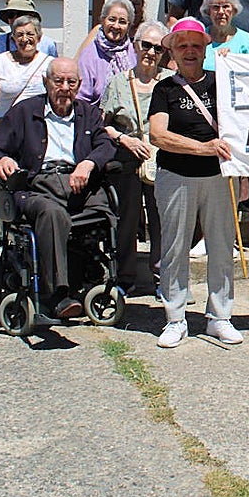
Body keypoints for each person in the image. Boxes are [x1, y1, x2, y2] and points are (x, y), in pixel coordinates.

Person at [0, 58, 118, 319]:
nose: (65, 87)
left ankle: (101, 278)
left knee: (105, 210)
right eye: (58, 81)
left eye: (71, 82)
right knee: (52, 214)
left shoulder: (87, 113)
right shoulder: (24, 112)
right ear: (47, 82)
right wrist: (2, 159)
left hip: (78, 184)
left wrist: (88, 163)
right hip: (37, 186)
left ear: (79, 85)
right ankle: (58, 295)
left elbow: (105, 145)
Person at [149, 18, 242, 347]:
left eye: (196, 46)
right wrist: (203, 148)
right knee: (175, 249)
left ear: (206, 51)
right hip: (176, 177)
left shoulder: (224, 82)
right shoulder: (164, 90)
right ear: (172, 50)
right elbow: (158, 134)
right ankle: (175, 318)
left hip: (219, 178)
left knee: (221, 249)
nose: (190, 51)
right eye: (183, 45)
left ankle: (220, 317)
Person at [101, 21, 171, 295]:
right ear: (135, 45)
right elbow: (102, 123)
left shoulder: (168, 83)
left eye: (158, 48)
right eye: (146, 45)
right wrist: (124, 139)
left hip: (161, 161)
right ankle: (125, 278)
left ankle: (162, 277)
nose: (151, 52)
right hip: (128, 160)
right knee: (126, 220)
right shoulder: (118, 83)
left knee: (162, 221)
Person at [0, 15, 55, 122]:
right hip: (7, 124)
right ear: (13, 38)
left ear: (39, 37)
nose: (25, 39)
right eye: (19, 35)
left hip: (37, 126)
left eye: (30, 34)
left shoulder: (49, 63)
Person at [77, 0, 137, 107]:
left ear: (129, 26)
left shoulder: (134, 52)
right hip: (97, 117)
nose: (116, 26)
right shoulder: (89, 54)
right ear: (103, 20)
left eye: (122, 22)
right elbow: (82, 98)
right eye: (112, 19)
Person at [75, 0, 148, 56]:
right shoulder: (99, 31)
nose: (131, 7)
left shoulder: (146, 33)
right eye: (127, 2)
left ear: (142, 6)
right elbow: (79, 58)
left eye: (136, 4)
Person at [0, 0, 59, 66]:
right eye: (11, 14)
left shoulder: (47, 44)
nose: (16, 19)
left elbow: (54, 73)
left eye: (21, 14)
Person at [201, 0, 249, 71]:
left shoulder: (246, 40)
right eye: (216, 7)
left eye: (225, 6)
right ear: (208, 11)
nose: (221, 12)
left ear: (234, 10)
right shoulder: (200, 37)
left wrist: (232, 60)